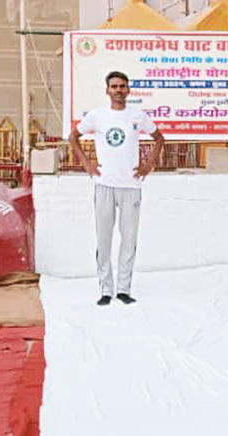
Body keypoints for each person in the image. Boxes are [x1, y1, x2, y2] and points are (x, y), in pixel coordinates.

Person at [69, 71, 165, 306]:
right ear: (107, 90)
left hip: (131, 185)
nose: (119, 90)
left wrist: (148, 165)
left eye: (123, 86)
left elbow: (159, 138)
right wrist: (87, 163)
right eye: (114, 86)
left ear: (128, 90)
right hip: (104, 184)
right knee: (104, 238)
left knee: (129, 239)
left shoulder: (137, 116)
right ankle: (105, 289)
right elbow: (73, 137)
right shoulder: (97, 116)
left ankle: (123, 288)